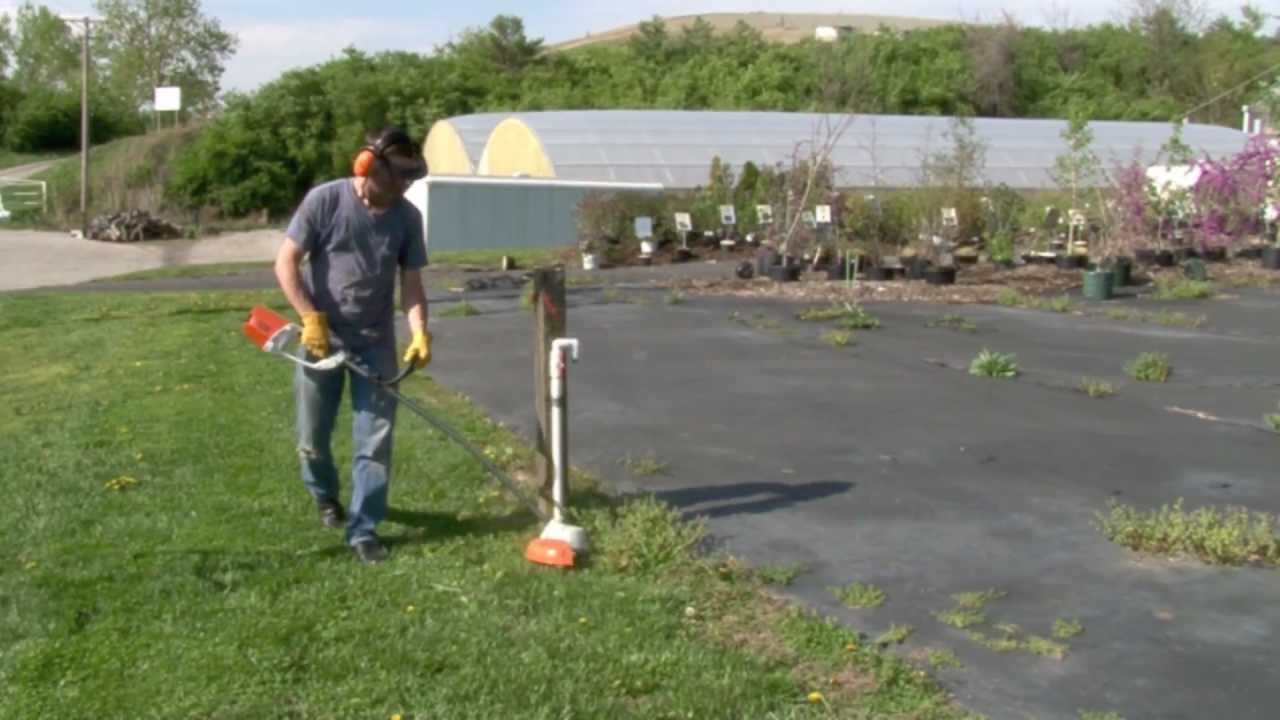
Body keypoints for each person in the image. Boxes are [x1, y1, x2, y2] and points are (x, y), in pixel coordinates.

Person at [274, 126, 431, 564]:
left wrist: (419, 330)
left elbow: (411, 283)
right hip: (320, 339)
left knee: (375, 440)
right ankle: (324, 495)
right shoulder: (325, 200)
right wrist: (310, 317)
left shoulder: (407, 218)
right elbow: (286, 262)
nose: (405, 185)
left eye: (411, 176)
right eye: (399, 175)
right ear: (368, 166)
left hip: (375, 341)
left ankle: (363, 529)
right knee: (312, 436)